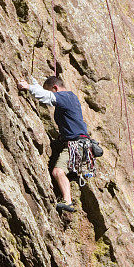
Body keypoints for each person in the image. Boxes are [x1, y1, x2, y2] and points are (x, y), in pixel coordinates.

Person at [17, 75, 89, 213]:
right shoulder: (70, 98)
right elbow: (47, 95)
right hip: (76, 144)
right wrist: (35, 85)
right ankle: (70, 179)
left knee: (57, 171)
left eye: (50, 90)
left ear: (55, 88)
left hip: (75, 145)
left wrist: (28, 87)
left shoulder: (66, 97)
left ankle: (68, 202)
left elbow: (47, 97)